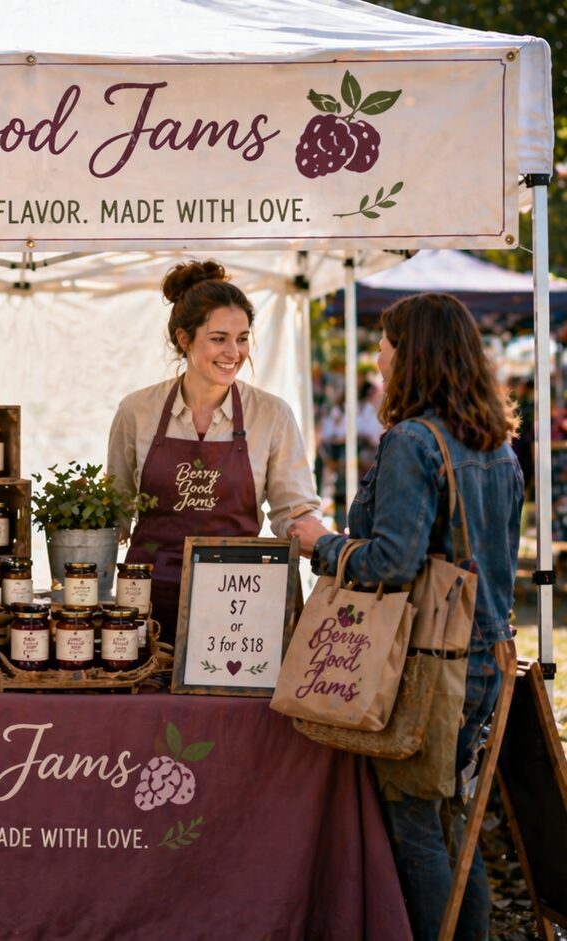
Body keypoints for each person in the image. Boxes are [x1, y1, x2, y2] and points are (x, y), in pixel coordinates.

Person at [288, 292, 522, 941]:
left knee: (418, 830)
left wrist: (322, 543)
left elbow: (394, 560)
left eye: (387, 341)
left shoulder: (412, 440)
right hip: (490, 657)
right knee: (458, 825)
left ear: (411, 351)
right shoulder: (498, 446)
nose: (379, 355)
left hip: (427, 664)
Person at [107, 260, 322, 622]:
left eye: (241, 339)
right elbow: (115, 511)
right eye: (219, 339)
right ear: (184, 339)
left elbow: (294, 511)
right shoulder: (137, 411)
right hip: (147, 600)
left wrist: (329, 544)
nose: (234, 353)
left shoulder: (271, 415)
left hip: (237, 603)